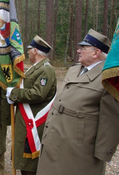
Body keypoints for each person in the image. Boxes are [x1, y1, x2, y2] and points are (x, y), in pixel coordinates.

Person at [36, 29, 119, 175]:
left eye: (83, 48)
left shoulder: (107, 79)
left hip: (79, 150)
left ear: (96, 53)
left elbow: (111, 119)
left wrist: (103, 152)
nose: (79, 51)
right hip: (55, 140)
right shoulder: (74, 70)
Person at [5, 35, 57, 175]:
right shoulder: (36, 68)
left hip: (34, 121)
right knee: (24, 160)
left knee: (30, 163)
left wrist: (14, 94)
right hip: (26, 118)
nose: (27, 53)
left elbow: (38, 94)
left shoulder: (46, 69)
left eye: (29, 50)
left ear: (35, 51)